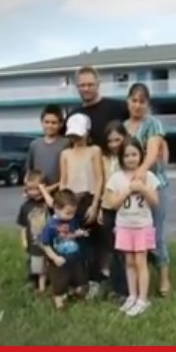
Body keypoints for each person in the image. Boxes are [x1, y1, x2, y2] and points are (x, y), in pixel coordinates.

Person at [66, 65, 129, 289]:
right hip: (88, 186)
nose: (86, 88)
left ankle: (120, 281)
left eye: (90, 84)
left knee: (115, 233)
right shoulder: (74, 115)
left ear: (98, 84)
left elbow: (136, 126)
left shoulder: (117, 107)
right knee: (88, 233)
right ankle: (93, 278)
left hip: (114, 179)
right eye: (81, 85)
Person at [123, 83, 171, 296]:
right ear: (128, 102)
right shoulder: (121, 126)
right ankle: (134, 281)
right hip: (128, 189)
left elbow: (152, 153)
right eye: (134, 100)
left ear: (147, 104)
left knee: (156, 234)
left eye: (142, 101)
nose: (137, 105)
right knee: (132, 233)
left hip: (154, 184)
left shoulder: (153, 124)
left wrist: (141, 171)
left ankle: (164, 278)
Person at [105, 138, 160, 316]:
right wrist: (128, 190)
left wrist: (143, 189)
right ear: (121, 157)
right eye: (126, 155)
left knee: (140, 262)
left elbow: (155, 202)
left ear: (140, 155)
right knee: (129, 262)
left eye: (134, 154)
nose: (131, 158)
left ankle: (143, 299)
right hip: (124, 226)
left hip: (142, 226)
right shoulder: (116, 178)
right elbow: (112, 203)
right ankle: (132, 295)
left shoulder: (149, 177)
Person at [59, 112, 104, 298]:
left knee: (90, 244)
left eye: (79, 135)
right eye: (72, 135)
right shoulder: (65, 153)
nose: (76, 139)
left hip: (88, 198)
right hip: (69, 200)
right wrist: (59, 204)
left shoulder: (94, 151)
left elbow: (100, 178)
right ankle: (74, 282)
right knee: (69, 242)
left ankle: (93, 281)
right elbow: (63, 179)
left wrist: (95, 205)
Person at [40, 189, 89, 310]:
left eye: (73, 213)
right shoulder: (51, 225)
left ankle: (76, 294)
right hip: (59, 260)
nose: (71, 216)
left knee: (79, 280)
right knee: (59, 283)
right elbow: (44, 244)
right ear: (56, 208)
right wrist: (54, 257)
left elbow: (73, 233)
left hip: (74, 257)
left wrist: (79, 233)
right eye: (68, 213)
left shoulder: (72, 221)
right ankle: (59, 303)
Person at [97, 121, 129, 301]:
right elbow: (103, 184)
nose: (114, 144)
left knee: (124, 251)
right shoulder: (105, 158)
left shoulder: (130, 157)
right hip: (108, 208)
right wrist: (101, 207)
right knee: (111, 250)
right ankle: (115, 287)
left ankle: (126, 289)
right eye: (110, 141)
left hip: (125, 210)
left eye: (118, 139)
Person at [16, 170, 51, 293]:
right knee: (35, 265)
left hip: (48, 242)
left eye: (37, 189)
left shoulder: (47, 204)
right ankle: (35, 283)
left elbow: (52, 205)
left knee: (47, 266)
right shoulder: (25, 207)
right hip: (33, 242)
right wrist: (24, 240)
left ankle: (42, 287)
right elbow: (23, 226)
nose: (34, 192)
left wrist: (44, 191)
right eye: (30, 189)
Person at [25, 105, 68, 189]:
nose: (50, 126)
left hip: (59, 194)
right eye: (47, 122)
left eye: (54, 123)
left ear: (61, 124)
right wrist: (30, 187)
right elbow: (29, 172)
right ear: (42, 122)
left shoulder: (66, 144)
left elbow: (69, 175)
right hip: (37, 193)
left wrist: (49, 189)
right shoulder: (35, 145)